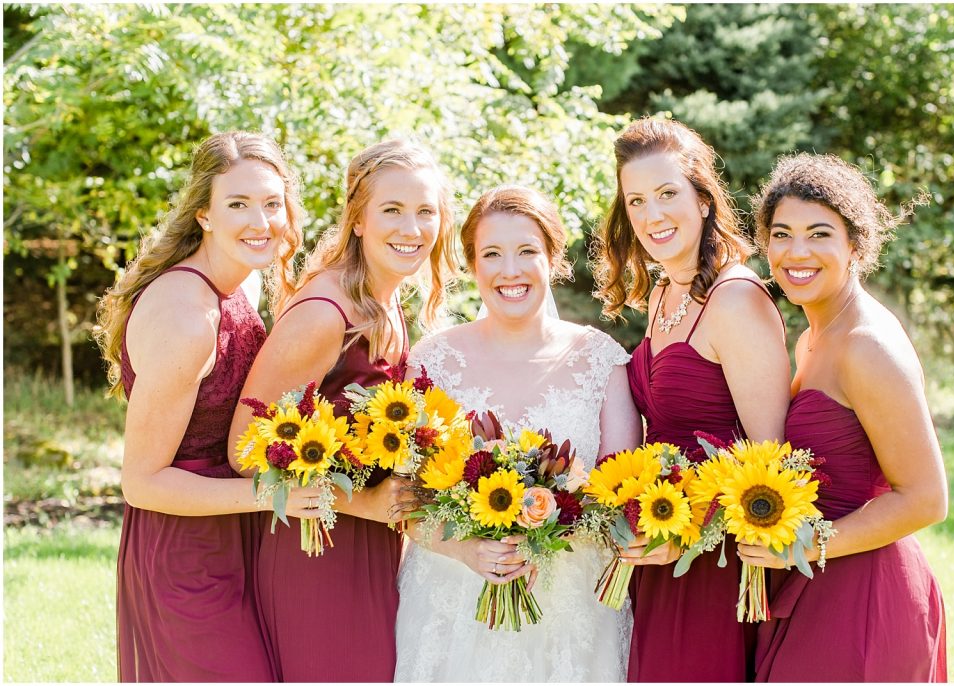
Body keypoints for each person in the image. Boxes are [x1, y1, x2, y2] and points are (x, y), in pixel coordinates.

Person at [94, 131, 323, 681]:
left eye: (271, 204)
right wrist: (276, 495)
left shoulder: (238, 288)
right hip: (182, 550)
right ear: (204, 215)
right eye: (238, 204)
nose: (260, 220)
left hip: (237, 533)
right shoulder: (185, 315)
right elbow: (141, 481)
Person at [229, 139, 459, 682]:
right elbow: (244, 448)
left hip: (368, 542)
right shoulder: (324, 313)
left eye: (426, 211)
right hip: (314, 549)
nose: (412, 228)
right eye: (392, 210)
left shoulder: (385, 301)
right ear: (357, 220)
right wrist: (364, 503)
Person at [393, 185, 642, 681]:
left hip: (571, 613)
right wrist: (465, 548)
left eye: (527, 251)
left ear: (553, 258)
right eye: (492, 254)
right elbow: (404, 501)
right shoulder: (432, 361)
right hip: (452, 605)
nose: (511, 270)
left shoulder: (601, 360)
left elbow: (622, 501)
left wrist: (546, 534)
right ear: (472, 265)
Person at [593, 117, 791, 682]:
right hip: (662, 550)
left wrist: (690, 526)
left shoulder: (737, 302)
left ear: (703, 199)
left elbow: (770, 467)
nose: (652, 215)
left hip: (716, 566)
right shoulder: (664, 290)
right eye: (636, 201)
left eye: (666, 194)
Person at [741, 152, 947, 681]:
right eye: (782, 234)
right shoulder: (815, 335)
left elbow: (926, 498)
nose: (797, 252)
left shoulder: (866, 345)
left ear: (854, 245)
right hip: (815, 580)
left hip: (866, 596)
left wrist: (804, 544)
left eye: (819, 234)